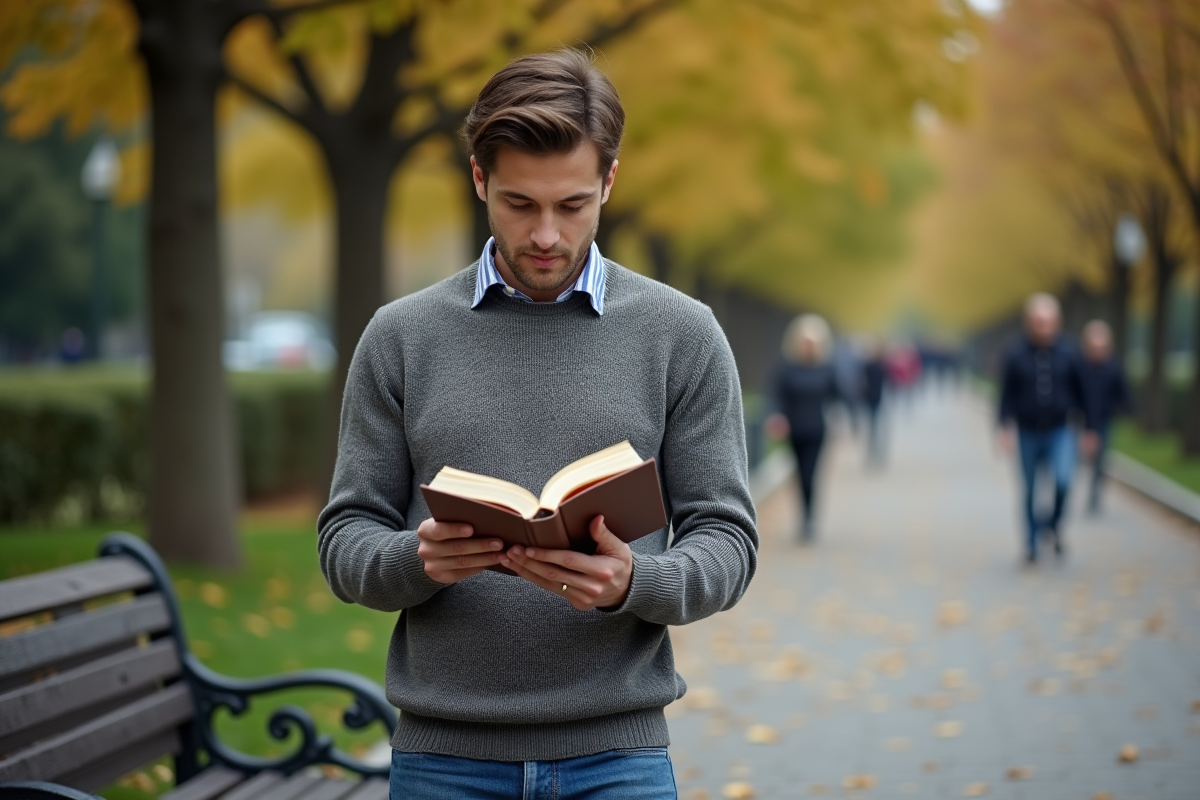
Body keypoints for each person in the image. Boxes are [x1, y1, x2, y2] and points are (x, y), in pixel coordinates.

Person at [318, 49, 757, 800]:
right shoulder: (400, 337)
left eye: (573, 204)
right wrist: (417, 561)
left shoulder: (681, 335)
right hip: (443, 758)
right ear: (479, 178)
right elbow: (344, 539)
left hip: (619, 755)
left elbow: (729, 540)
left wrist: (635, 581)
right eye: (520, 204)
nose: (547, 235)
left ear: (610, 182)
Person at [997, 294, 1095, 564]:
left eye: (1048, 322)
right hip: (1027, 431)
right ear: (1029, 322)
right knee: (1029, 489)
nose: (1043, 327)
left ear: (1057, 322)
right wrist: (1003, 427)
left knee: (1063, 481)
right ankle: (1030, 544)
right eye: (1038, 322)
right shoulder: (1015, 352)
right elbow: (1005, 394)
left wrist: (1089, 429)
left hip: (1061, 430)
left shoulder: (1070, 352)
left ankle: (1052, 525)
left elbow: (1083, 392)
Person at [765, 314, 845, 541]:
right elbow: (775, 394)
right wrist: (776, 416)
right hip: (794, 430)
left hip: (817, 430)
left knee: (811, 475)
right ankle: (803, 516)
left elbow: (840, 394)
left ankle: (809, 519)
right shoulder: (787, 368)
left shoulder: (827, 368)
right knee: (799, 475)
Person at [1078, 320, 1132, 513]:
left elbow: (1123, 392)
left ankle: (1094, 495)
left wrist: (1128, 409)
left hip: (1104, 420)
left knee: (1100, 460)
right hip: (1080, 420)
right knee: (1077, 458)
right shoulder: (1079, 366)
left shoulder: (1113, 367)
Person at [860, 339, 888, 467]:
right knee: (872, 426)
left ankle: (877, 451)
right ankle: (872, 451)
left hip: (878, 398)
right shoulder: (867, 365)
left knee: (876, 426)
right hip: (869, 398)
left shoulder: (881, 365)